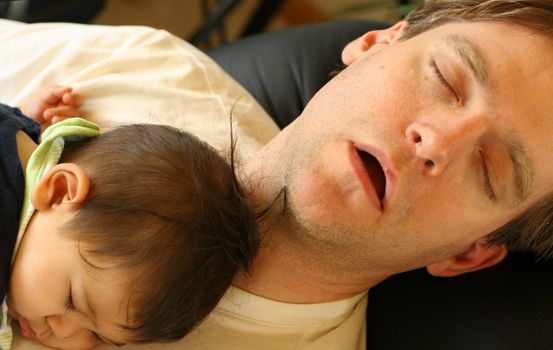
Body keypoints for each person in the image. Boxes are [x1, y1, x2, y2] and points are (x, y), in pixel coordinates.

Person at [176, 0, 553, 349]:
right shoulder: (148, 60)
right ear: (375, 44)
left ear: (467, 254)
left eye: (488, 170)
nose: (436, 142)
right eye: (445, 79)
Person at [1, 87, 258, 350]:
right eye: (71, 301)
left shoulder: (16, 137)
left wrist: (23, 120)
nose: (64, 332)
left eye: (97, 337)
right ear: (58, 192)